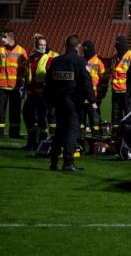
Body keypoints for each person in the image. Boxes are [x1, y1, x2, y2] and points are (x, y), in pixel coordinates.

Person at [45, 35, 96, 171]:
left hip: (58, 101)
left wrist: (49, 100)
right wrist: (92, 100)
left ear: (65, 45)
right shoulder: (79, 61)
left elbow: (48, 83)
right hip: (72, 101)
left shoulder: (55, 61)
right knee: (72, 130)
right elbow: (87, 82)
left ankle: (53, 161)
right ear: (78, 46)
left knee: (59, 131)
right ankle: (68, 162)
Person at [0, 29, 28, 139]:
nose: (2, 39)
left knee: (15, 112)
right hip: (1, 85)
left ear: (11, 38)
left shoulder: (21, 51)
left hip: (16, 87)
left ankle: (14, 133)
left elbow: (25, 70)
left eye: (4, 37)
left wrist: (23, 85)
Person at [22, 34, 58, 150]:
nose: (42, 47)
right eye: (40, 45)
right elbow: (27, 76)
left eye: (44, 45)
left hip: (43, 95)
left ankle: (42, 141)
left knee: (41, 118)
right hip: (31, 94)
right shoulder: (31, 58)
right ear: (35, 45)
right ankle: (32, 140)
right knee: (27, 115)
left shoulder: (49, 58)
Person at [82, 40, 108, 137]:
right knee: (81, 120)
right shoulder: (82, 60)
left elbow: (104, 79)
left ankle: (96, 138)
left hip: (95, 96)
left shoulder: (99, 61)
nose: (84, 51)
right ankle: (82, 142)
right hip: (82, 95)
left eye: (85, 49)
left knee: (95, 119)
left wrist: (102, 94)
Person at [111, 36, 131, 133]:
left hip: (127, 92)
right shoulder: (114, 58)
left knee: (128, 115)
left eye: (118, 44)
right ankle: (116, 133)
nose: (116, 47)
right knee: (115, 115)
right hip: (115, 91)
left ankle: (128, 133)